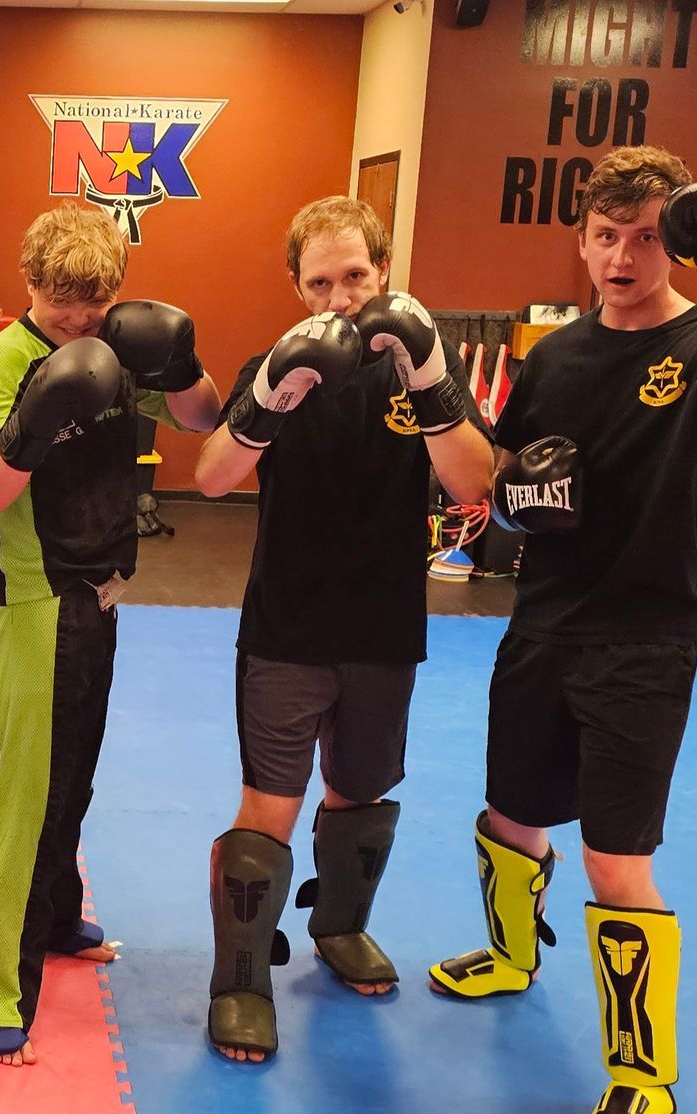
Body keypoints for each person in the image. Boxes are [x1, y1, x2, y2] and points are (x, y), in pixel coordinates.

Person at [427, 147, 697, 1114]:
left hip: (645, 633)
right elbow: (497, 489)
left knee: (615, 858)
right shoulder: (552, 357)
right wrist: (503, 492)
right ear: (581, 241)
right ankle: (507, 957)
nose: (627, 256)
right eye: (609, 235)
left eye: (649, 236)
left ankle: (638, 1073)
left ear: (678, 244)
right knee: (512, 810)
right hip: (544, 620)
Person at [192, 197, 496, 1063]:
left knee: (361, 793)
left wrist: (433, 387)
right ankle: (242, 981)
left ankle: (337, 926)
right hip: (287, 626)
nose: (339, 298)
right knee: (270, 809)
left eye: (355, 277)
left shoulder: (421, 369)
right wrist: (265, 398)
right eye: (320, 281)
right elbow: (211, 477)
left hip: (384, 627)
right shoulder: (274, 363)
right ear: (296, 284)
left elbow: (475, 482)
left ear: (384, 272)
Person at [0, 202, 222, 1065]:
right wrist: (31, 431)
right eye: (64, 297)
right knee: (26, 790)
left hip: (99, 592)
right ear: (32, 281)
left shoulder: (119, 345)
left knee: (76, 768)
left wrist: (180, 364)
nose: (79, 315)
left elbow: (200, 420)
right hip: (30, 601)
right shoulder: (7, 361)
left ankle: (59, 907)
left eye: (96, 297)